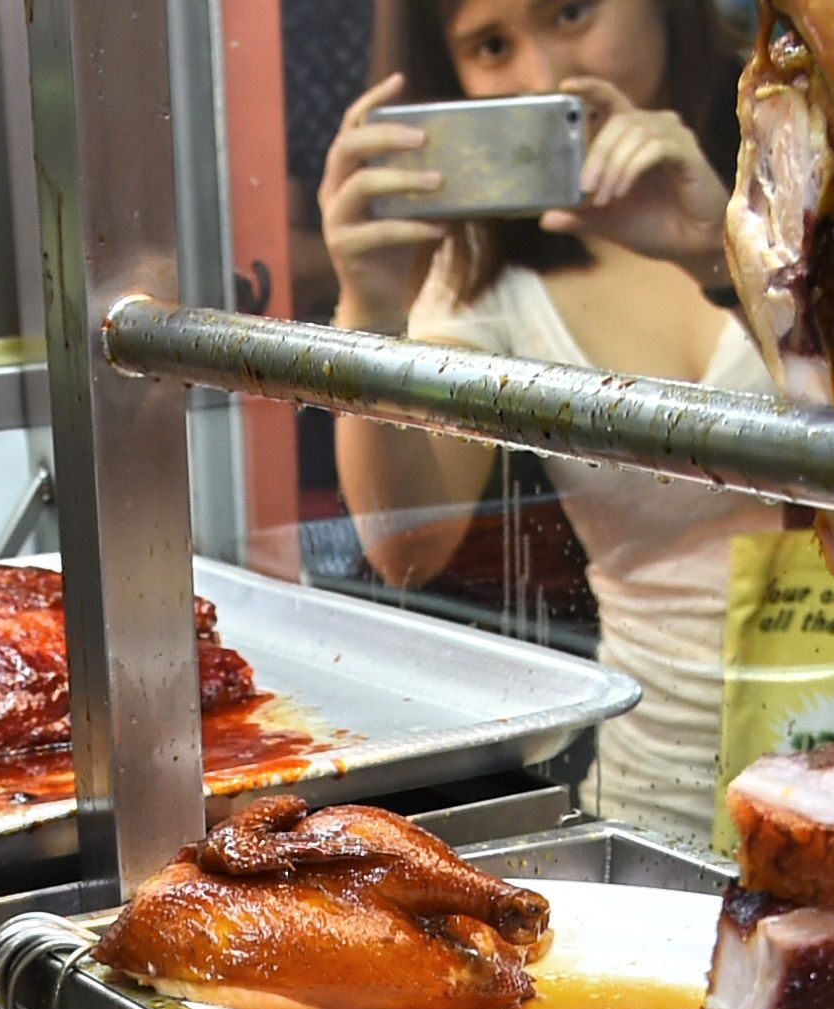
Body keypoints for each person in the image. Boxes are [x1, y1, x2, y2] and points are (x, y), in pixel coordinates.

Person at [317, 0, 769, 840]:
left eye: (570, 10)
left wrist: (722, 256)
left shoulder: (806, 165)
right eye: (492, 45)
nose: (546, 74)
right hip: (671, 802)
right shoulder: (488, 271)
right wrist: (369, 304)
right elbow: (408, 546)